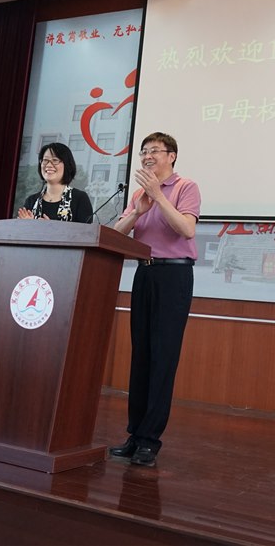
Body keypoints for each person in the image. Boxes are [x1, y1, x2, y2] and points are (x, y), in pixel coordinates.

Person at [108, 132, 201, 467]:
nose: (147, 156)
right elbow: (115, 235)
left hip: (174, 276)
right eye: (143, 152)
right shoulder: (138, 194)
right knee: (142, 356)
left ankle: (150, 440)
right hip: (144, 274)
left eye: (154, 151)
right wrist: (137, 211)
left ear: (171, 155)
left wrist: (159, 197)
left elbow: (187, 230)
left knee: (163, 357)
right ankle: (135, 434)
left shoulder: (186, 187)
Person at [17, 143, 93, 223]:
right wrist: (27, 224)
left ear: (67, 165)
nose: (49, 165)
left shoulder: (80, 199)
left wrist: (51, 228)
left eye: (55, 160)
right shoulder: (31, 201)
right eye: (45, 160)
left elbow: (86, 230)